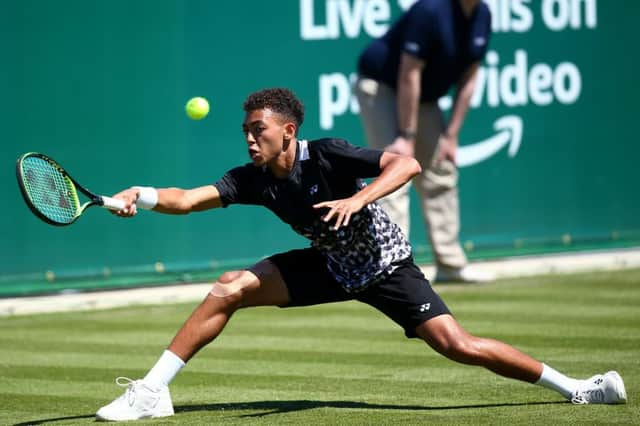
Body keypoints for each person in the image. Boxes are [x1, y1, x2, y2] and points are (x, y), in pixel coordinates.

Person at [95, 88, 626, 421]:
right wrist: (137, 197)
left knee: (456, 343)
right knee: (231, 286)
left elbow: (408, 164)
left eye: (259, 131)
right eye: (246, 133)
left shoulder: (328, 153)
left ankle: (578, 388)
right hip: (328, 264)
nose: (251, 141)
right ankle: (151, 392)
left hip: (385, 265)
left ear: (288, 131)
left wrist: (357, 197)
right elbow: (186, 200)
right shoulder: (252, 180)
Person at [355, 0, 494, 283]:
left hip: (425, 98)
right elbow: (409, 72)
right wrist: (406, 136)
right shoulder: (429, 11)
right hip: (381, 88)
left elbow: (469, 78)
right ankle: (392, 267)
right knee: (393, 172)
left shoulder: (483, 15)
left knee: (440, 173)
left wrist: (451, 135)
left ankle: (450, 264)